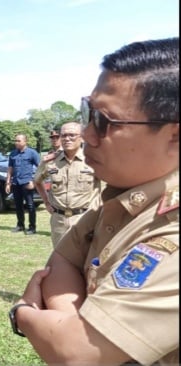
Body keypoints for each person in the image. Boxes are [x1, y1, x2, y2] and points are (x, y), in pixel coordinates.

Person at [11, 37, 179, 364]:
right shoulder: (123, 202)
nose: (87, 135)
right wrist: (73, 323)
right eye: (89, 112)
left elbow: (76, 354)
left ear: (174, 136)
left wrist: (23, 313)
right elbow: (60, 262)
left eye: (103, 122)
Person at [34, 122, 101, 247]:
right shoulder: (51, 161)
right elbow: (37, 181)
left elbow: (113, 184)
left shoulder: (93, 160)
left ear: (82, 138)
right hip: (59, 221)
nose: (67, 139)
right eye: (63, 135)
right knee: (61, 260)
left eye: (72, 135)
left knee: (86, 261)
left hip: (85, 219)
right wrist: (47, 202)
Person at [5, 133, 40, 234]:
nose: (16, 143)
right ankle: (20, 225)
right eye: (15, 141)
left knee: (30, 205)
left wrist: (34, 181)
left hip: (27, 183)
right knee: (18, 205)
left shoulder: (32, 153)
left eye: (18, 141)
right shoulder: (12, 154)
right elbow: (10, 168)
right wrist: (8, 182)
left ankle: (32, 227)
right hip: (16, 183)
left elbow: (40, 168)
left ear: (25, 141)